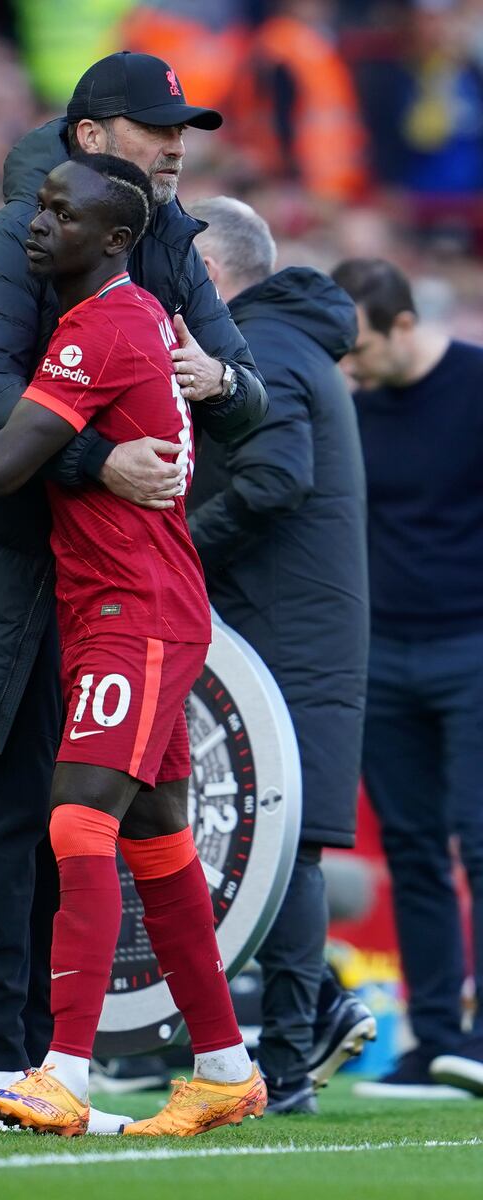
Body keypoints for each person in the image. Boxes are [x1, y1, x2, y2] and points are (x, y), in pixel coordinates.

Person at [0, 49, 268, 1134]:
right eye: (154, 126)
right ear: (91, 138)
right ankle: (128, 1060)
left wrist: (217, 382)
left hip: (119, 591)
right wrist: (97, 459)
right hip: (16, 573)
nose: (177, 143)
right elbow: (0, 397)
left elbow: (238, 399)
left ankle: (63, 1071)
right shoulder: (31, 248)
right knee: (74, 829)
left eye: (183, 127)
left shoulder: (141, 273)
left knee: (77, 824)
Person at [186, 198, 373, 1113]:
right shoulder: (290, 343)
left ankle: (292, 1058)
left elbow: (274, 479)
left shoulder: (263, 351)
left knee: (281, 847)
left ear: (213, 272)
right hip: (295, 628)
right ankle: (316, 1016)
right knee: (265, 845)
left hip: (285, 634)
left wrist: (177, 549)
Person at [330, 257, 483, 1100]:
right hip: (385, 654)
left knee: (482, 841)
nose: (349, 367)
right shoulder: (354, 407)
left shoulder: (474, 385)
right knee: (416, 849)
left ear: (401, 325)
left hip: (473, 646)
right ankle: (436, 1038)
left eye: (361, 350)